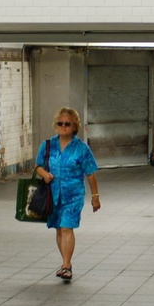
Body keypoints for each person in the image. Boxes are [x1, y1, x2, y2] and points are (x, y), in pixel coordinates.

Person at [35, 107, 100, 281]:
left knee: (66, 227)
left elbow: (91, 173)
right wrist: (44, 174)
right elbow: (37, 165)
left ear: (74, 126)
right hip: (52, 193)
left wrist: (95, 197)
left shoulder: (81, 148)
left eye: (67, 124)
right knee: (58, 228)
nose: (63, 126)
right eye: (60, 123)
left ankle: (65, 265)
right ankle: (66, 263)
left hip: (73, 195)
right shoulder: (47, 145)